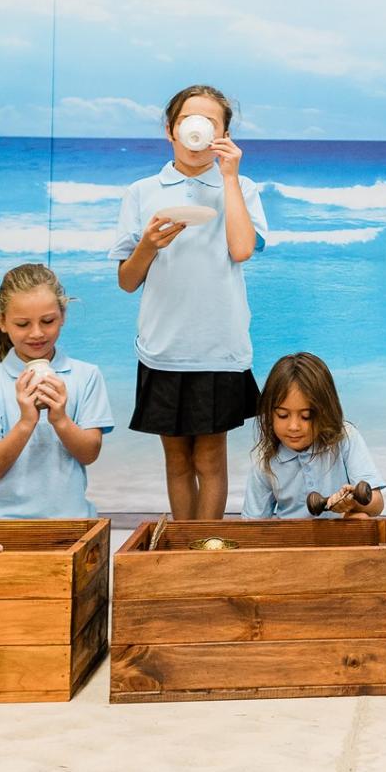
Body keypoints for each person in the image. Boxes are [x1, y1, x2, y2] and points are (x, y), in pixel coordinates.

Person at [110, 84, 267, 520]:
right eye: (186, 121)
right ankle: (183, 550)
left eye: (209, 122)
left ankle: (207, 552)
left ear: (223, 134)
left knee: (211, 459)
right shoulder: (143, 191)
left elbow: (241, 249)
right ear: (170, 130)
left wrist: (230, 177)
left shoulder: (242, 187)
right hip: (163, 349)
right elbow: (127, 281)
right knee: (177, 460)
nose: (196, 129)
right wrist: (147, 246)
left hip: (219, 347)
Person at [0, 263, 112, 518]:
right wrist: (26, 422)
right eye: (22, 324)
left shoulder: (86, 376)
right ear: (4, 322)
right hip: (1, 524)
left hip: (72, 521)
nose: (37, 333)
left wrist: (60, 419)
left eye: (48, 321)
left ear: (62, 316)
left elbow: (89, 454)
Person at [243, 352, 386, 518]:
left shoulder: (345, 438)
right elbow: (253, 522)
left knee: (360, 518)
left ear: (325, 411)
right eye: (283, 415)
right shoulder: (265, 459)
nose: (293, 426)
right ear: (269, 413)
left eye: (306, 416)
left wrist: (354, 502)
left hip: (340, 538)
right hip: (291, 539)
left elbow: (377, 506)